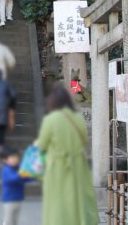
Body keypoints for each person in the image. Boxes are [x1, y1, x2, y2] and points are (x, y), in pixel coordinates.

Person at [35, 84, 98, 225]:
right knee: (76, 201)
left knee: (57, 204)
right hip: (78, 166)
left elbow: (42, 145)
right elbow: (84, 141)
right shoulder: (78, 119)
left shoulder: (50, 120)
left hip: (57, 167)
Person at [0, 147, 32, 225]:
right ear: (5, 160)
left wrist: (31, 176)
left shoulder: (18, 168)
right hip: (9, 199)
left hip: (18, 198)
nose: (15, 159)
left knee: (15, 220)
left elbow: (24, 179)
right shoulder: (6, 170)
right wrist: (21, 174)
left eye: (16, 157)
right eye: (12, 158)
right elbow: (12, 179)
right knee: (8, 220)